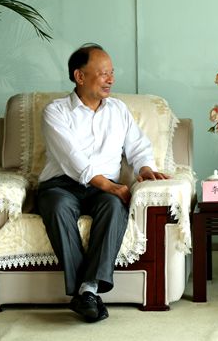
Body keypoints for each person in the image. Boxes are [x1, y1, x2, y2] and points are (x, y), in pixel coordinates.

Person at [37, 43, 169, 323]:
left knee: (114, 206)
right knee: (58, 207)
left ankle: (87, 290)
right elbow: (72, 158)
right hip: (61, 185)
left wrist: (146, 168)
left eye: (112, 72)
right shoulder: (55, 111)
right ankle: (85, 293)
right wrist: (110, 186)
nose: (111, 79)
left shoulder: (118, 110)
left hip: (103, 189)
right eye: (103, 73)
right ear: (79, 76)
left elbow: (138, 147)